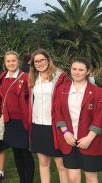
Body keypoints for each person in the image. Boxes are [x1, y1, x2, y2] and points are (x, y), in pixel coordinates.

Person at [54, 57, 102, 183]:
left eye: (81, 69)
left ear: (88, 71)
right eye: (74, 69)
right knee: (73, 178)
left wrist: (89, 138)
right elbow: (58, 112)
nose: (76, 72)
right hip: (69, 141)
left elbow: (99, 117)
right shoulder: (62, 89)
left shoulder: (97, 91)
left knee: (90, 178)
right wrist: (65, 132)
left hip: (90, 141)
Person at [28, 49, 69, 183]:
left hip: (54, 126)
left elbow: (77, 92)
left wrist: (99, 99)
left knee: (61, 164)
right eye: (36, 61)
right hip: (37, 125)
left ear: (48, 60)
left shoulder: (60, 77)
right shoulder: (33, 78)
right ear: (33, 64)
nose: (40, 63)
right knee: (43, 162)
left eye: (42, 60)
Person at [0, 51, 35, 183]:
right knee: (16, 153)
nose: (11, 63)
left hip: (23, 121)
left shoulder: (26, 77)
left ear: (18, 62)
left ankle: (29, 180)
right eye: (8, 61)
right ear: (5, 63)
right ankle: (22, 180)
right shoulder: (2, 77)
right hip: (10, 121)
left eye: (13, 60)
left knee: (25, 153)